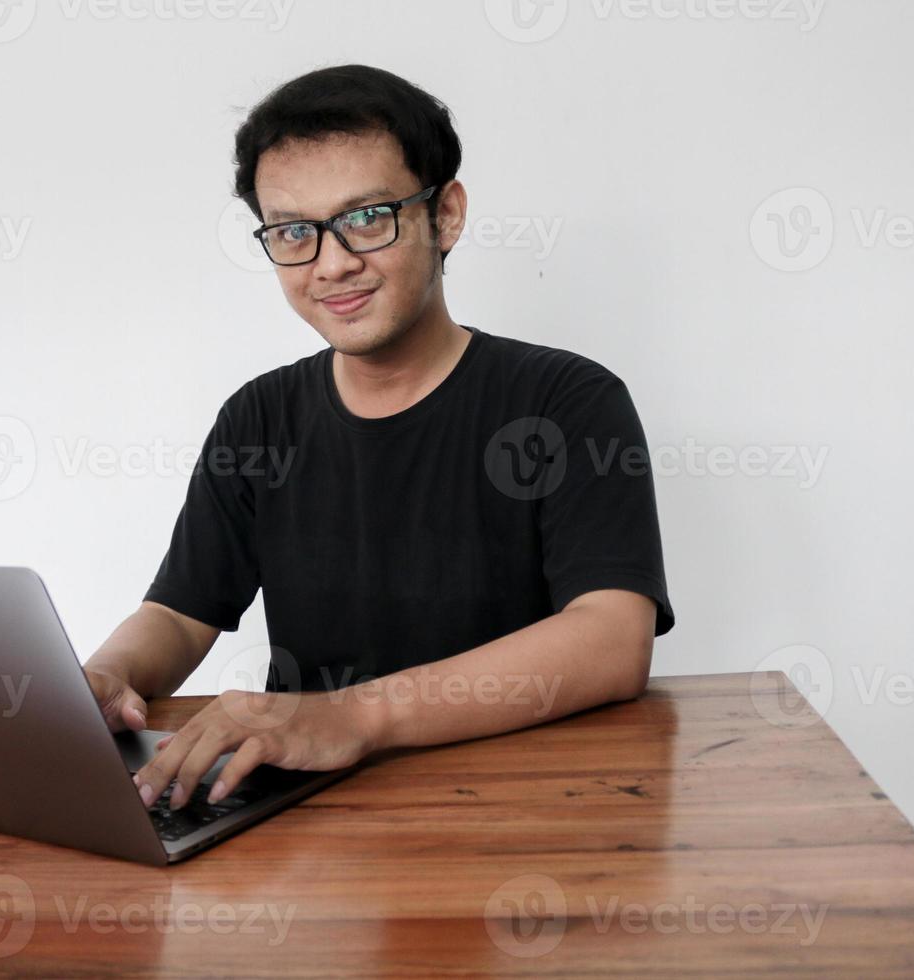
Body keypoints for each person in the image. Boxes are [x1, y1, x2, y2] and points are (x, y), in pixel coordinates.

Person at [85, 63, 675, 813]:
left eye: (367, 218)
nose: (332, 263)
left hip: (521, 811)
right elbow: (178, 613)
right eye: (295, 232)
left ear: (447, 214)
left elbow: (612, 639)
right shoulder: (258, 419)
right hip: (301, 815)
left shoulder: (567, 402)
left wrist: (354, 716)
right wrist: (108, 676)